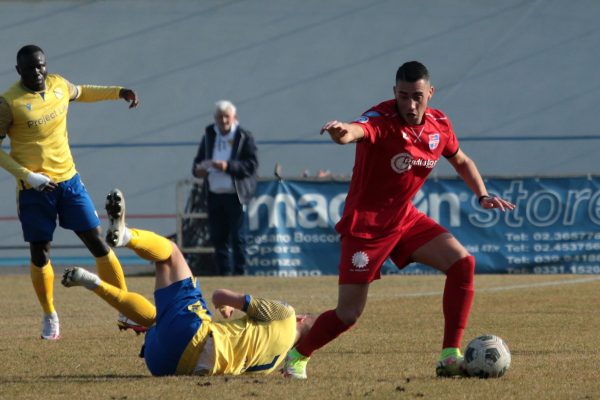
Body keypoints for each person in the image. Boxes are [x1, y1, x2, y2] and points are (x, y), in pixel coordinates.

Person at [282, 61, 516, 379]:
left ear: (430, 93)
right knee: (348, 314)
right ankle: (296, 357)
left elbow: (461, 160)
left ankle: (450, 356)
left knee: (463, 263)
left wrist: (482, 194)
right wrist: (342, 133)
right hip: (366, 227)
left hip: (404, 218)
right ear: (394, 92)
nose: (410, 104)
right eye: (403, 96)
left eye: (417, 96)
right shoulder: (382, 119)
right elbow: (358, 129)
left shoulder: (439, 124)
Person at [62, 188, 315, 376]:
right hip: (163, 363)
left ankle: (125, 236)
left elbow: (219, 295)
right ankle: (94, 283)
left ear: (302, 319)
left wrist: (226, 306)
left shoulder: (286, 314)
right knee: (158, 319)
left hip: (194, 336)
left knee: (170, 255)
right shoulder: (273, 363)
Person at [0, 44, 151, 340]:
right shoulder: (8, 102)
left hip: (69, 183)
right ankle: (50, 314)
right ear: (19, 71)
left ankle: (125, 308)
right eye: (30, 68)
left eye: (41, 65)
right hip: (33, 190)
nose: (37, 71)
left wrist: (119, 91)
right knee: (40, 251)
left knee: (97, 240)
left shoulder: (58, 85)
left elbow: (83, 91)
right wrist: (28, 176)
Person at [192, 100, 258, 276]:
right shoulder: (209, 135)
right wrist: (199, 171)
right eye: (219, 117)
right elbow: (197, 162)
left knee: (238, 238)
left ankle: (239, 274)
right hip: (214, 194)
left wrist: (227, 166)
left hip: (235, 195)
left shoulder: (244, 136)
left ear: (234, 117)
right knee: (218, 238)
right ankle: (224, 274)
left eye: (226, 116)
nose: (223, 120)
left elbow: (251, 166)